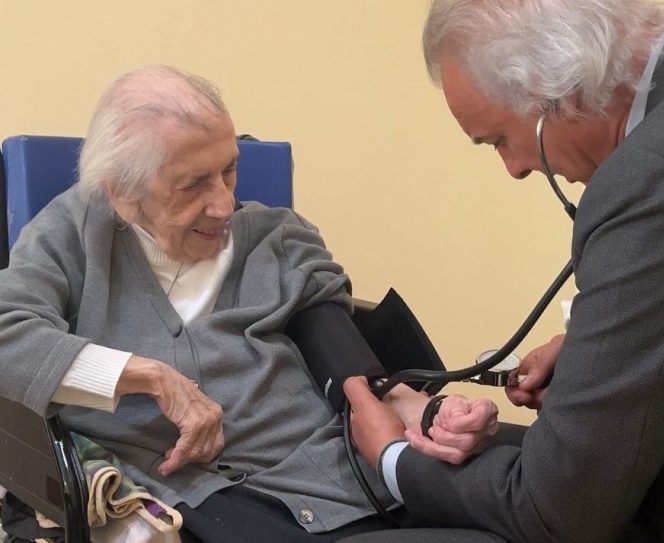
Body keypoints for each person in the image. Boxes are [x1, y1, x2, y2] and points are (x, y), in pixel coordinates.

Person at [342, 1, 664, 542]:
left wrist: (394, 459)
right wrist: (606, 346)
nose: (514, 169)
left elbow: (558, 512)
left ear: (563, 93)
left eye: (499, 140)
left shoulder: (661, 179)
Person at [0, 65, 499, 543]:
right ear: (122, 194)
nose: (223, 204)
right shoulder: (75, 236)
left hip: (346, 472)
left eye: (230, 169)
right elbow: (7, 336)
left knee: (524, 497)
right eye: (193, 184)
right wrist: (152, 377)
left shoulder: (276, 235)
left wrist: (409, 403)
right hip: (216, 503)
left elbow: (339, 348)